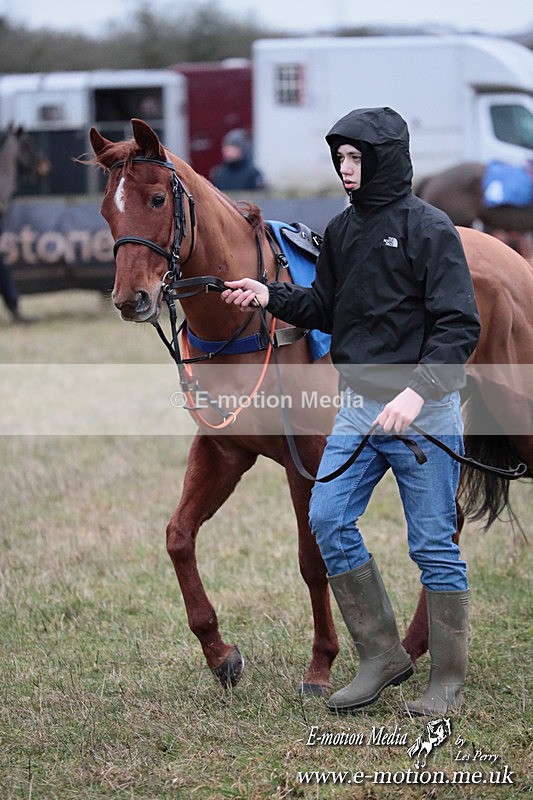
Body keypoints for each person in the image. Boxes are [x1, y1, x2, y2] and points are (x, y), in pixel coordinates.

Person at [221, 107, 481, 716]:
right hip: (358, 408)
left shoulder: (431, 228)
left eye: (355, 158)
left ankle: (446, 679)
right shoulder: (341, 230)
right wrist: (268, 295)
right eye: (339, 158)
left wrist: (416, 392)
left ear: (384, 158)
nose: (344, 168)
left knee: (434, 545)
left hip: (427, 412)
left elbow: (458, 326)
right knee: (329, 518)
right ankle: (381, 655)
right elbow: (326, 307)